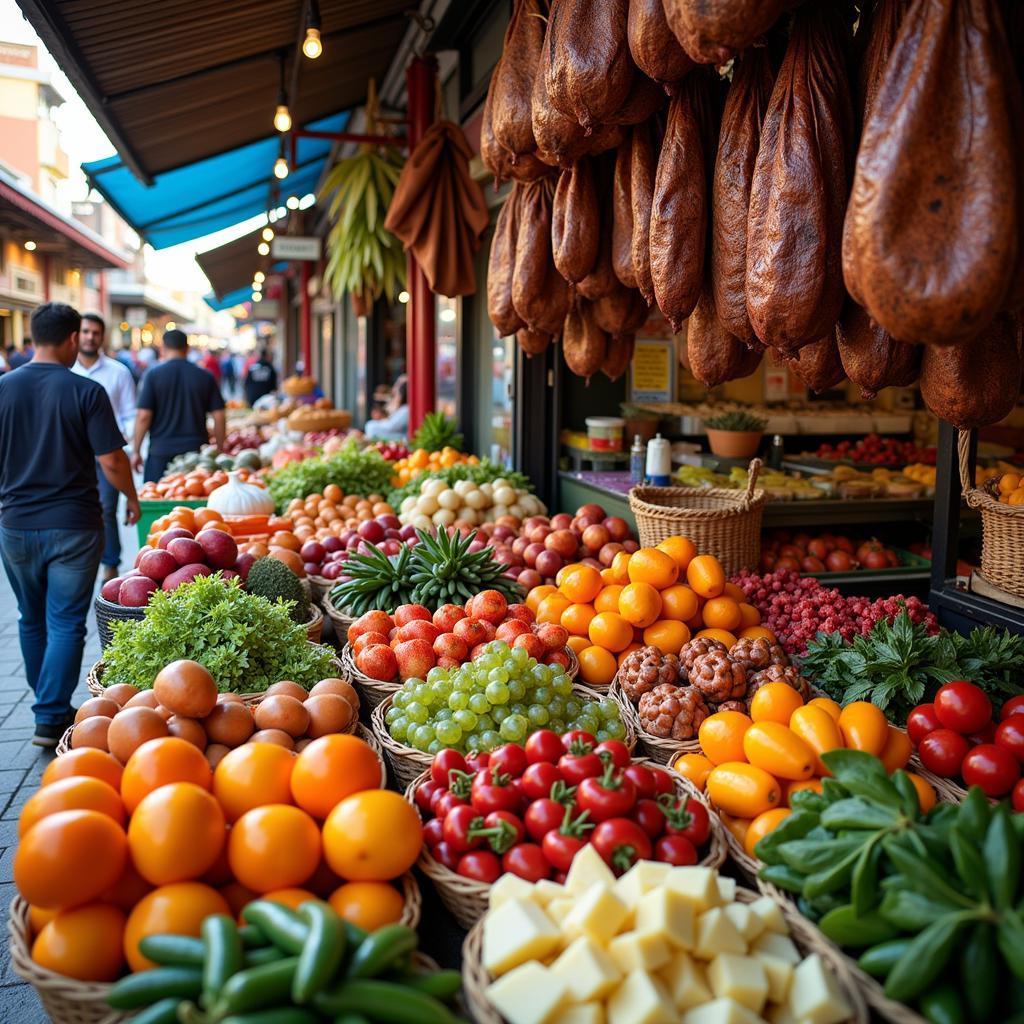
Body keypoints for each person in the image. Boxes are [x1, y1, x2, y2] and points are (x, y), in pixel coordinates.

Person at [0, 302, 140, 746]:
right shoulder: (85, 391)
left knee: (30, 617)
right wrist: (131, 499)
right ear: (69, 339)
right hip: (75, 526)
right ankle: (49, 713)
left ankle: (47, 701)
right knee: (64, 622)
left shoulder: (3, 388)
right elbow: (112, 460)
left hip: (16, 525)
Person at [72, 313, 138, 583]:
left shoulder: (118, 372)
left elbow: (130, 413)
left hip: (107, 453)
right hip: (72, 454)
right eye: (85, 331)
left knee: (106, 508)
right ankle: (78, 562)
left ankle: (110, 563)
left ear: (103, 336)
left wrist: (122, 440)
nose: (90, 337)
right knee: (75, 507)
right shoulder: (66, 370)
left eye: (95, 332)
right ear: (77, 335)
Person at [132, 329, 226, 482]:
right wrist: (220, 448)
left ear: (163, 348)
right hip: (196, 453)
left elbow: (143, 416)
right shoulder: (205, 375)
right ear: (187, 348)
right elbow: (219, 416)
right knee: (193, 499)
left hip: (160, 452)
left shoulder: (153, 375)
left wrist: (136, 451)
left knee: (157, 498)